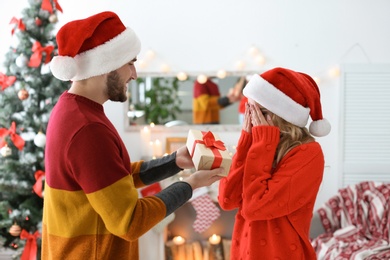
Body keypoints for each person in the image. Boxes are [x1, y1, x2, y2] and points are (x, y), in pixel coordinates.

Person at [43, 11, 223, 259]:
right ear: (105, 65)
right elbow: (129, 222)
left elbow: (112, 178)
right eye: (130, 63)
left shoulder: (73, 111)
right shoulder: (87, 128)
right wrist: (191, 184)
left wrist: (174, 162)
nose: (135, 74)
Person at [218, 67, 331, 260]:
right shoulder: (259, 146)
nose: (252, 119)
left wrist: (262, 143)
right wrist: (246, 143)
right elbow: (226, 200)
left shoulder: (309, 154)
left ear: (282, 115)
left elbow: (255, 208)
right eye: (249, 109)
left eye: (259, 112)